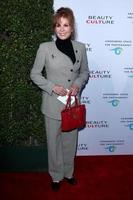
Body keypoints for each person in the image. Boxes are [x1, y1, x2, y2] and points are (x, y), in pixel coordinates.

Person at [30, 7, 89, 191]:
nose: (62, 29)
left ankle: (68, 173)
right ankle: (56, 176)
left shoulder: (80, 48)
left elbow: (85, 72)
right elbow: (35, 74)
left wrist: (77, 85)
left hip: (71, 104)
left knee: (70, 142)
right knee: (54, 143)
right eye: (58, 25)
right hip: (52, 104)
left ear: (72, 28)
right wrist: (52, 87)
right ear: (54, 28)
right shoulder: (45, 48)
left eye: (66, 25)